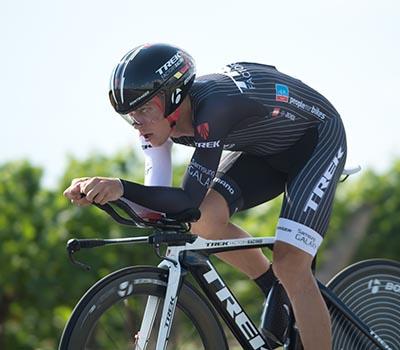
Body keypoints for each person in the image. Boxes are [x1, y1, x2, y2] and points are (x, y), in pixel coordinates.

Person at [63, 43, 347, 350]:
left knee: (291, 264)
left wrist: (121, 186)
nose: (138, 124)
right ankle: (272, 288)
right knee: (203, 222)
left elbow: (186, 200)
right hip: (264, 149)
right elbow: (159, 210)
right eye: (130, 115)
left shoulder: (214, 108)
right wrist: (106, 195)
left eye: (144, 110)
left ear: (173, 99)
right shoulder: (155, 126)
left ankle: (289, 288)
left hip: (316, 140)